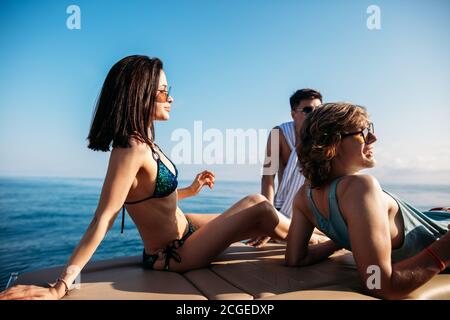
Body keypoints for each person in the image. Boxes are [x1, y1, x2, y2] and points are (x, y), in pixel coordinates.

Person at [0, 55, 290, 300]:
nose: (172, 97)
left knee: (261, 213)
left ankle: (315, 237)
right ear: (140, 94)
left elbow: (153, 198)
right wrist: (60, 286)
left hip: (186, 227)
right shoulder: (129, 148)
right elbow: (104, 217)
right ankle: (324, 239)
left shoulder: (148, 142)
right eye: (164, 91)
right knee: (260, 205)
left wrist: (191, 188)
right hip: (172, 254)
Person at [285, 102, 450, 299]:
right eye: (362, 132)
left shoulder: (305, 196)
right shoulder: (361, 187)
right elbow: (379, 285)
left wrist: (341, 241)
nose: (373, 137)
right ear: (333, 144)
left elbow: (296, 259)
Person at [247, 89, 323, 247]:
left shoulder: (325, 138)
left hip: (314, 212)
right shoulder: (278, 134)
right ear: (293, 113)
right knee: (242, 226)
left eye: (319, 110)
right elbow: (268, 177)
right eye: (308, 110)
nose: (314, 115)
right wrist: (268, 217)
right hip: (283, 210)